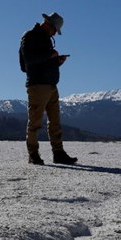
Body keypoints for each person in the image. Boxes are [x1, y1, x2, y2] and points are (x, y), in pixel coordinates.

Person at [19, 12, 77, 165]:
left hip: (51, 85)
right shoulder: (30, 36)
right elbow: (28, 61)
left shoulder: (44, 39)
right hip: (38, 85)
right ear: (49, 25)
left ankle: (58, 153)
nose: (55, 34)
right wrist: (50, 55)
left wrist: (57, 61)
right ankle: (33, 154)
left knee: (55, 122)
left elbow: (41, 60)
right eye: (55, 31)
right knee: (35, 122)